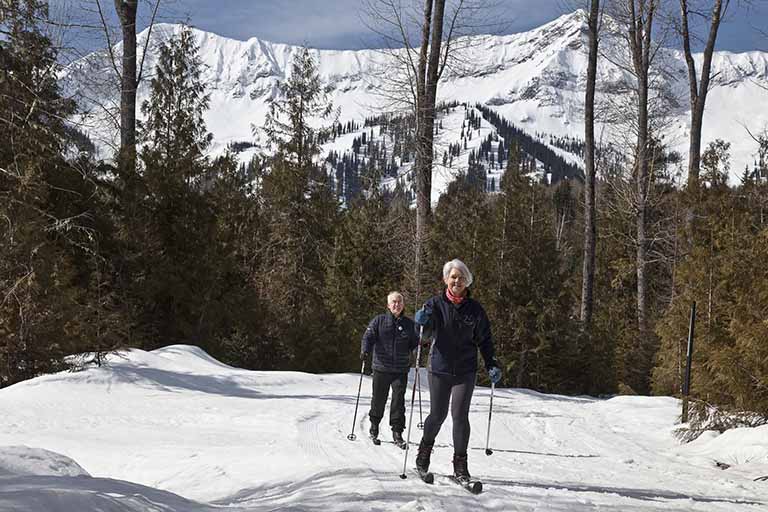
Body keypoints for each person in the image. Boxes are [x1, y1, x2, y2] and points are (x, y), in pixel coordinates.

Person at [413, 259, 502, 483]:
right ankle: (423, 454)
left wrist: (492, 363)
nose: (457, 281)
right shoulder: (434, 304)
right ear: (446, 279)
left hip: (465, 369)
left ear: (467, 281)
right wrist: (420, 322)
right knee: (438, 415)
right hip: (439, 368)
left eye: (461, 278)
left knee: (460, 416)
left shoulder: (475, 309)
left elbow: (485, 340)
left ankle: (460, 466)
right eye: (453, 277)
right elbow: (424, 335)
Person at [360, 291, 419, 447]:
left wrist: (421, 344)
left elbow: (415, 342)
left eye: (399, 302)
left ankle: (397, 431)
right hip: (381, 367)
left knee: (398, 401)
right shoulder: (379, 321)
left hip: (400, 369)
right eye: (393, 302)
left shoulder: (409, 324)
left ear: (403, 305)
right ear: (388, 305)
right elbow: (368, 336)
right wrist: (365, 350)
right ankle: (374, 426)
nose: (396, 304)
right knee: (379, 398)